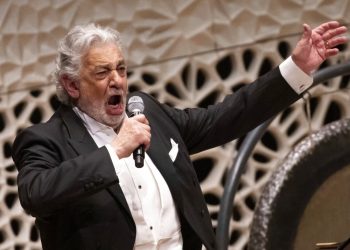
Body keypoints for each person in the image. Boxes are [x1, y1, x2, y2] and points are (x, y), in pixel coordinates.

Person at [12, 21, 347, 250]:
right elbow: (35, 193)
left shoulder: (148, 112)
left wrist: (297, 68)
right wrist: (114, 152)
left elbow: (225, 117)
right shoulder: (46, 139)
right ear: (72, 85)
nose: (117, 81)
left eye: (121, 68)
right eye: (102, 72)